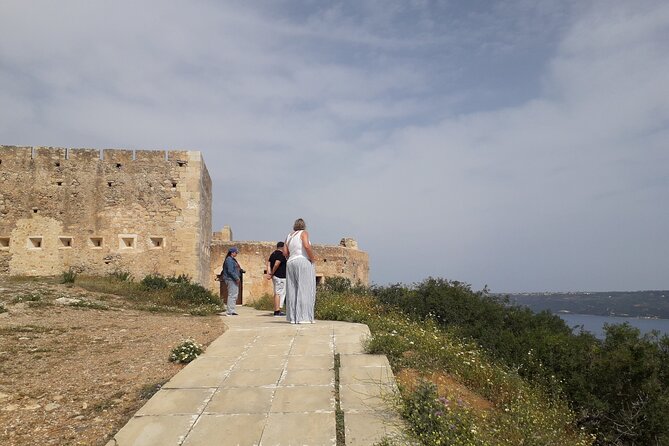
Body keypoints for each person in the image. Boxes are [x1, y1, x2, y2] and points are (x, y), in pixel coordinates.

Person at [283, 218, 316, 324]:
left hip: (290, 262)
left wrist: (290, 257)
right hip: (302, 261)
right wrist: (312, 258)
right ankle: (303, 317)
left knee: (292, 289)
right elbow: (306, 245)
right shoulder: (304, 233)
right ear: (304, 226)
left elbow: (285, 252)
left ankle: (293, 318)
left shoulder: (289, 236)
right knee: (305, 289)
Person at [266, 241, 287, 317]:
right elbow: (276, 264)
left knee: (277, 292)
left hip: (275, 277)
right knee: (279, 293)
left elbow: (268, 264)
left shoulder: (273, 254)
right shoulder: (281, 254)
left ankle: (277, 310)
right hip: (280, 277)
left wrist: (269, 273)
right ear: (282, 247)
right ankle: (277, 311)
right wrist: (272, 273)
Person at [222, 247, 242, 316]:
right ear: (232, 253)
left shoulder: (232, 260)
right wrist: (236, 278)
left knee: (234, 295)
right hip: (231, 279)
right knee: (232, 295)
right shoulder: (229, 260)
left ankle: (232, 310)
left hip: (232, 279)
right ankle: (229, 311)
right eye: (236, 252)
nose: (236, 254)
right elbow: (230, 271)